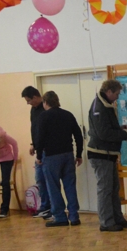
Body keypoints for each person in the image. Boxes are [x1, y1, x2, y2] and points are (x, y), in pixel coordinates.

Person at [87, 79, 127, 232]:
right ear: (109, 92)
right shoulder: (99, 107)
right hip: (100, 154)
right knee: (105, 189)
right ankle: (106, 222)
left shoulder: (104, 104)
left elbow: (105, 128)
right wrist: (123, 134)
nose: (118, 97)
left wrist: (119, 129)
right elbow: (103, 133)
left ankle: (117, 218)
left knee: (113, 189)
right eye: (117, 94)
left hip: (108, 154)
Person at [35, 91, 84, 227]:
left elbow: (40, 138)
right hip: (68, 154)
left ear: (45, 102)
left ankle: (60, 217)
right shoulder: (68, 115)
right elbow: (78, 135)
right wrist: (79, 154)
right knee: (70, 186)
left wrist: (38, 155)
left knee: (53, 188)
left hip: (51, 156)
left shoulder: (43, 116)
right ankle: (74, 216)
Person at [21, 86, 53, 218]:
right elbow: (34, 128)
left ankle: (51, 208)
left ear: (35, 97)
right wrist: (33, 144)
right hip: (38, 148)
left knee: (48, 179)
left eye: (28, 100)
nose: (28, 103)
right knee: (40, 179)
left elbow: (44, 131)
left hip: (47, 150)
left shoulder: (45, 109)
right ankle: (44, 206)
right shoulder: (33, 110)